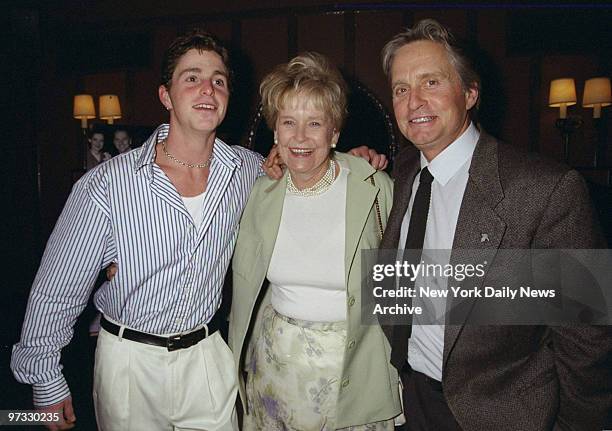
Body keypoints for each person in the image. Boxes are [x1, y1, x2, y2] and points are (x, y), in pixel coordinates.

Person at [11, 30, 387, 431]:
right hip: (130, 361)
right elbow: (56, 289)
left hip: (209, 355)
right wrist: (45, 379)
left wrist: (355, 162)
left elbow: (308, 163)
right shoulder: (106, 185)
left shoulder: (248, 171)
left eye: (219, 80)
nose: (208, 88)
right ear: (165, 96)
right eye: (192, 77)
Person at [379, 19, 612, 430]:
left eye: (431, 82)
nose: (414, 101)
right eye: (401, 88)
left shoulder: (545, 190)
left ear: (469, 93)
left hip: (491, 415)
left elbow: (586, 343)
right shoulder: (398, 174)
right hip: (401, 400)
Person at [228, 52, 400, 431]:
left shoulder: (372, 185)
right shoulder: (261, 192)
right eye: (289, 122)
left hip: (354, 370)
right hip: (274, 370)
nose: (300, 137)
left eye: (315, 123)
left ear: (334, 132)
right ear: (275, 131)